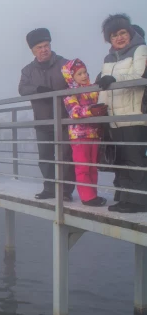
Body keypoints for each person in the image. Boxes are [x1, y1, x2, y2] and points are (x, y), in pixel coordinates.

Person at [97, 13, 147, 213]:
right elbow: (105, 87)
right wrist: (100, 112)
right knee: (121, 160)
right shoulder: (108, 58)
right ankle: (125, 198)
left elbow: (138, 74)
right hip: (114, 117)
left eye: (122, 32)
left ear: (130, 32)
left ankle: (139, 201)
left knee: (134, 159)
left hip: (133, 114)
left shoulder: (139, 49)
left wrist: (113, 78)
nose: (119, 38)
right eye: (113, 35)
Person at [18, 28, 75, 201]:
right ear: (33, 51)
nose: (44, 50)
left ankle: (65, 191)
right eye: (39, 47)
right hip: (42, 120)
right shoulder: (28, 70)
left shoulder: (65, 64)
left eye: (46, 45)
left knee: (66, 155)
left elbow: (76, 83)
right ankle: (49, 188)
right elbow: (22, 89)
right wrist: (38, 90)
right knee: (45, 156)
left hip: (64, 118)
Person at [62, 59, 107, 206]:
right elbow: (74, 111)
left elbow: (102, 99)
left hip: (94, 133)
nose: (83, 76)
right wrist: (91, 111)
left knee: (93, 166)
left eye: (85, 72)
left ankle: (93, 194)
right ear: (71, 77)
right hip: (79, 135)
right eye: (79, 74)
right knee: (83, 166)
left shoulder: (93, 89)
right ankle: (87, 197)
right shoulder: (70, 93)